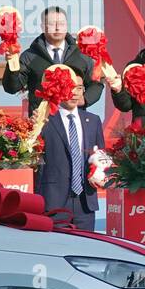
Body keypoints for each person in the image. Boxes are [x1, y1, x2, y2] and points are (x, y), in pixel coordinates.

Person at [2, 6, 105, 112]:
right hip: (42, 121)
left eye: (61, 24)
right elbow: (12, 88)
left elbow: (95, 83)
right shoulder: (30, 56)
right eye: (52, 24)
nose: (57, 28)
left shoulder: (82, 54)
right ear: (43, 26)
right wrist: (11, 65)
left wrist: (85, 99)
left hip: (73, 119)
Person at [37, 73, 104, 231]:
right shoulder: (44, 120)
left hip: (86, 202)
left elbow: (101, 153)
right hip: (54, 201)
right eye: (69, 88)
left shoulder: (93, 120)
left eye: (79, 88)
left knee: (86, 251)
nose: (74, 93)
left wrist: (100, 170)